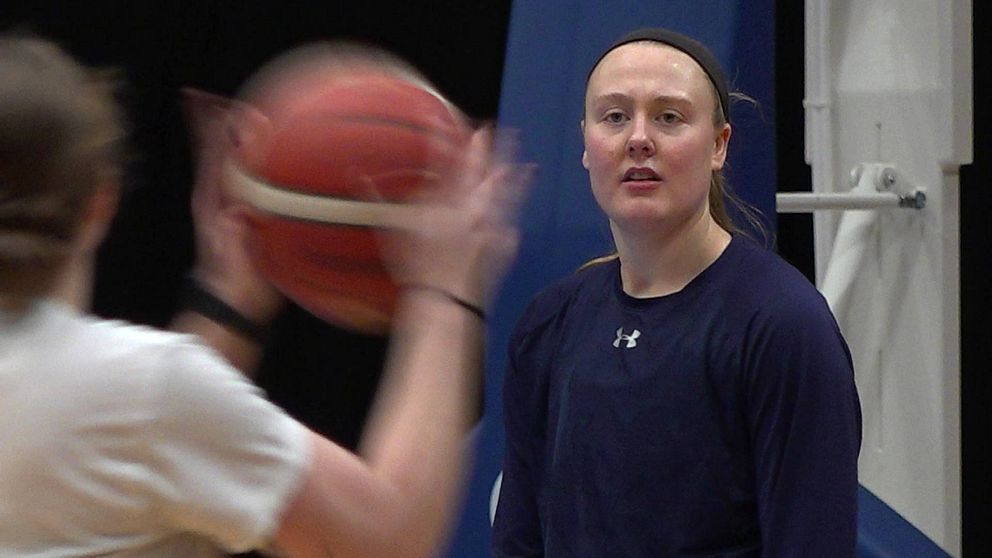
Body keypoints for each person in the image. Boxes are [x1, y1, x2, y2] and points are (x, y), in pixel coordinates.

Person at [0, 33, 529, 558]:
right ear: (100, 202)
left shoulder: (136, 401)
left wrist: (227, 302)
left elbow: (151, 447)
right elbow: (386, 538)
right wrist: (443, 293)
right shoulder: (139, 393)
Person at [491, 28, 862, 557]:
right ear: (585, 145)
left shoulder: (783, 325)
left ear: (718, 146)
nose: (638, 139)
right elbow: (519, 541)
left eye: (668, 117)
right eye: (615, 116)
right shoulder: (550, 323)